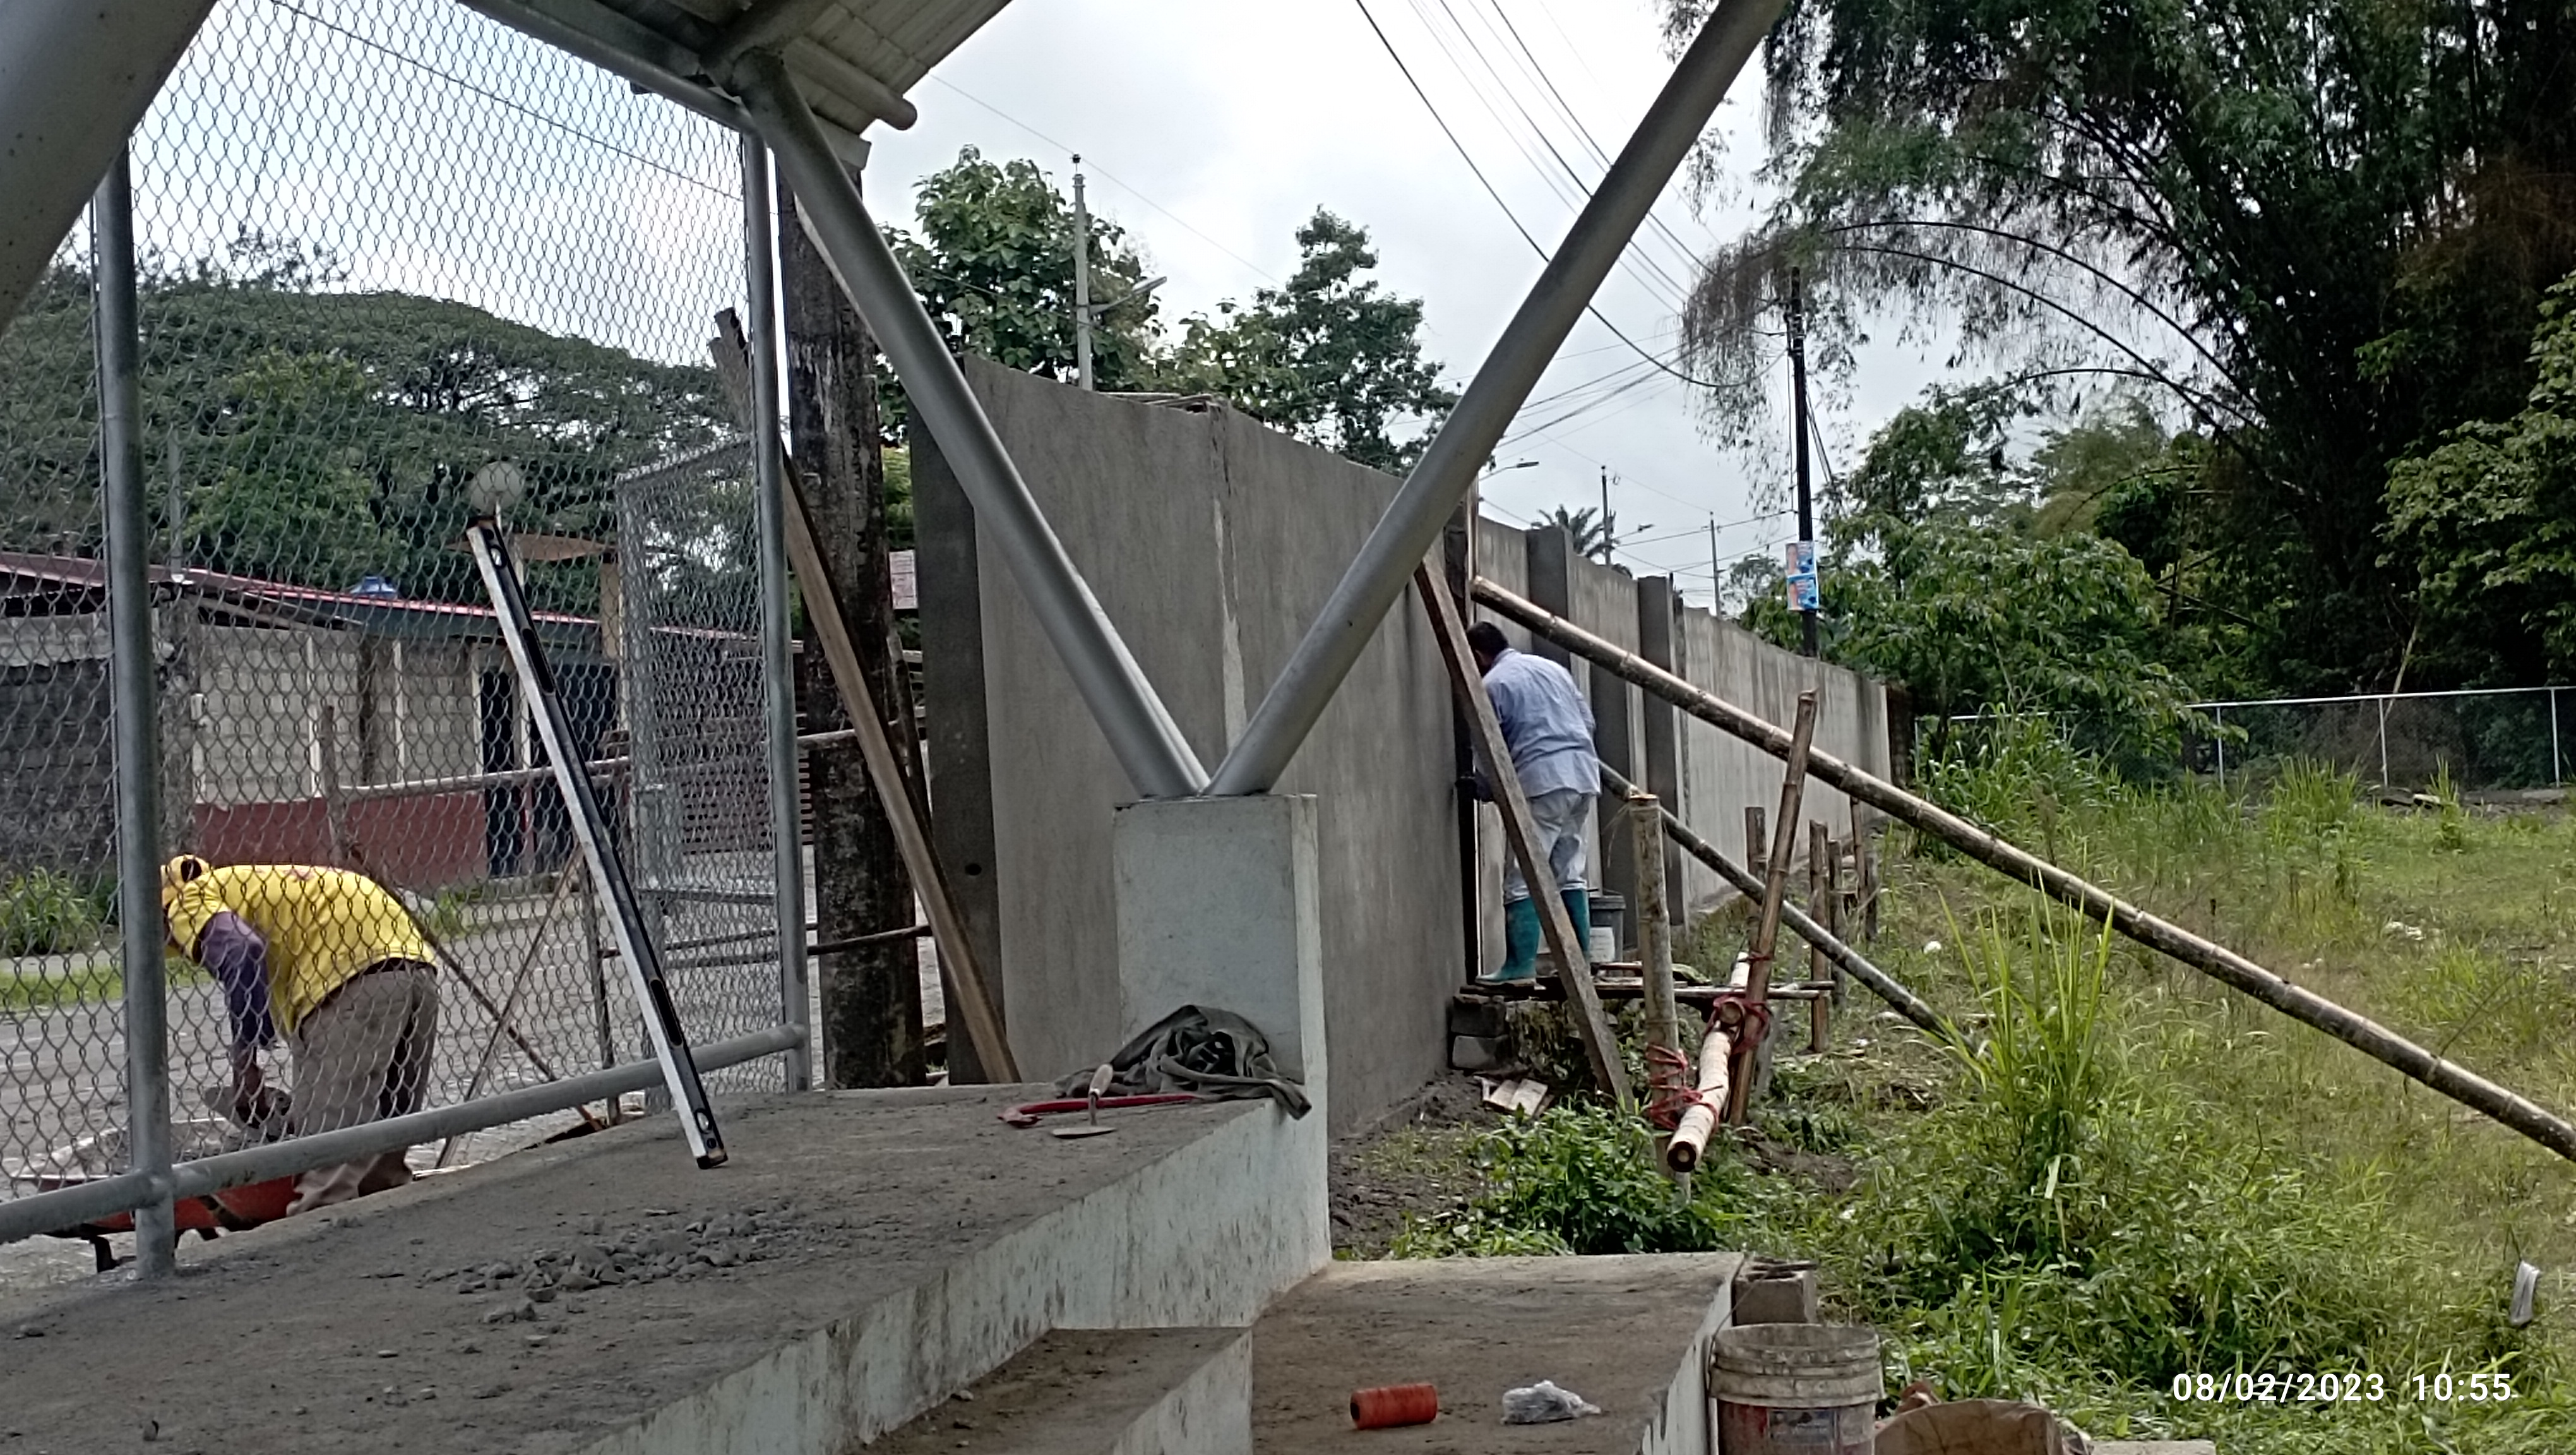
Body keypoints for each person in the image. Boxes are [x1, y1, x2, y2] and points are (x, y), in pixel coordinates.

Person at [161, 855, 440, 1214]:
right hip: (415, 967)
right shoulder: (256, 883)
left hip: (346, 975)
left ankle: (320, 1229)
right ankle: (387, 1217)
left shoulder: (187, 901)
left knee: (329, 1147)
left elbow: (242, 949)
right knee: (387, 1139)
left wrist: (246, 1066)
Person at [1465, 621, 1600, 983]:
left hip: (1542, 782)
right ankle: (1579, 961)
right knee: (1568, 870)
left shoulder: (1493, 685)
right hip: (1582, 776)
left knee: (1523, 873)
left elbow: (1489, 748)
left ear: (1478, 655)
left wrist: (1485, 787)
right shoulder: (1552, 669)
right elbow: (1587, 722)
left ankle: (1519, 966)